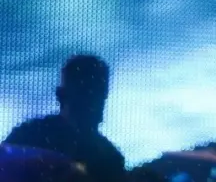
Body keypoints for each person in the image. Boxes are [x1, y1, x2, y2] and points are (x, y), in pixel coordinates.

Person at [3, 54, 127, 182]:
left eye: (98, 94)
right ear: (61, 96)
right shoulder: (27, 136)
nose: (93, 103)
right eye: (85, 93)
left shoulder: (110, 158)